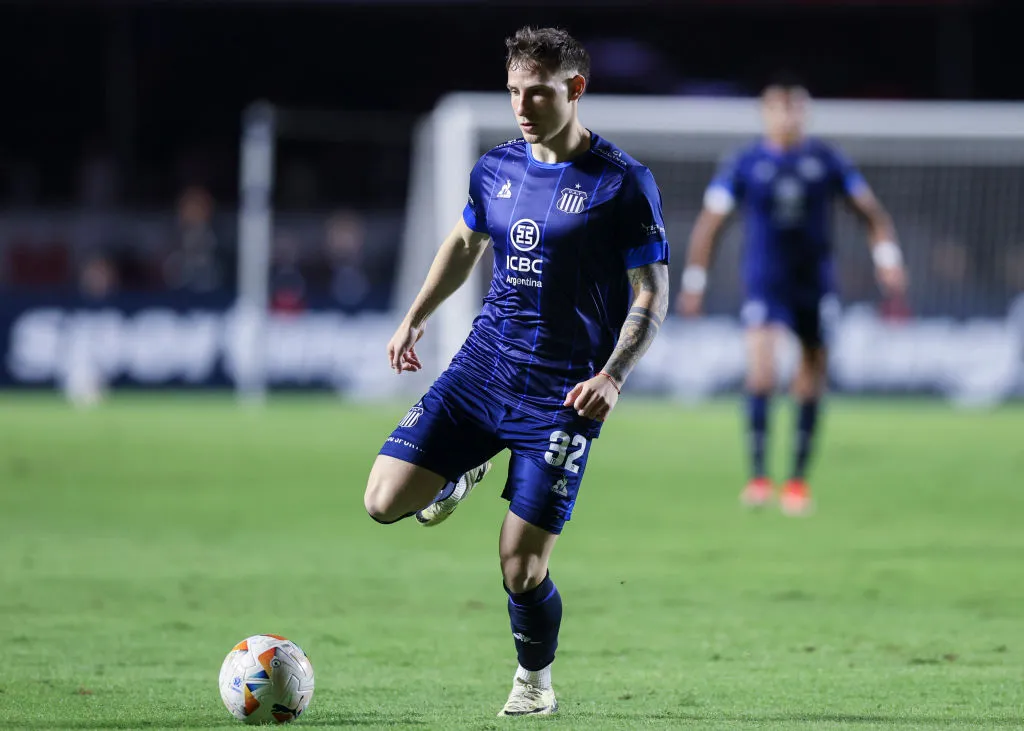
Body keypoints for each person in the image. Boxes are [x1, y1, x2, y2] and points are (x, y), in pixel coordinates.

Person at [363, 26, 670, 717]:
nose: (523, 105)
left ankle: (535, 680)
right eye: (513, 91)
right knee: (381, 500)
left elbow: (653, 292)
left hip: (563, 396)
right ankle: (463, 465)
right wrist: (414, 315)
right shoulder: (495, 168)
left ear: (575, 89)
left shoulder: (622, 183)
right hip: (482, 369)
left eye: (538, 91)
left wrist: (614, 375)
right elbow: (466, 241)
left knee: (521, 567)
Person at [676, 75, 907, 516]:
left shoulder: (827, 160)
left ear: (805, 113)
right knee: (762, 372)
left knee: (810, 376)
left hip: (815, 282)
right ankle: (759, 477)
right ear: (766, 114)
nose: (788, 116)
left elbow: (870, 214)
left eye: (796, 108)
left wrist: (888, 257)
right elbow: (711, 224)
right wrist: (695, 281)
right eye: (780, 108)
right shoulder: (744, 162)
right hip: (765, 282)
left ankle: (798, 482)